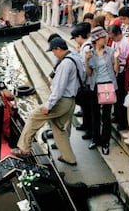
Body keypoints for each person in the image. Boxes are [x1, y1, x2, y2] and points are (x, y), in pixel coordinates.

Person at [12, 37, 84, 166]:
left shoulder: (65, 64)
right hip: (71, 101)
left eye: (53, 51)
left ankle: (24, 149)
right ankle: (69, 158)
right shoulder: (76, 57)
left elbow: (59, 88)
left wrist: (49, 105)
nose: (54, 54)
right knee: (58, 128)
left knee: (33, 116)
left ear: (58, 49)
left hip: (62, 101)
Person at [85, 26, 120, 155]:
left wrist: (116, 58)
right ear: (96, 39)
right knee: (95, 114)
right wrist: (86, 60)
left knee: (106, 116)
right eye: (102, 37)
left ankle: (105, 142)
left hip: (108, 85)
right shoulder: (90, 53)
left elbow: (117, 70)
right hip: (95, 85)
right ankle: (95, 138)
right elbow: (88, 74)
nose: (105, 38)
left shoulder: (111, 51)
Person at [70, 22, 93, 140]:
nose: (75, 40)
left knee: (88, 108)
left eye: (75, 38)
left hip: (88, 82)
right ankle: (85, 125)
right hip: (86, 82)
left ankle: (89, 129)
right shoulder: (84, 46)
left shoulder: (87, 47)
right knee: (85, 107)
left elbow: (85, 66)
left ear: (80, 36)